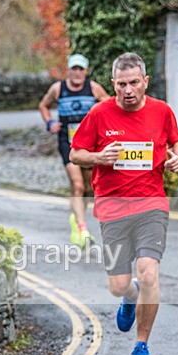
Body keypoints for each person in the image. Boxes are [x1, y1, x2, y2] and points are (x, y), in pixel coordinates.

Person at [70, 52, 178, 355]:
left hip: (152, 204)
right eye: (122, 84)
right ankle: (129, 295)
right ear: (113, 85)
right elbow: (76, 153)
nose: (129, 90)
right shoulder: (99, 113)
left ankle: (141, 345)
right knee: (118, 285)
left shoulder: (162, 111)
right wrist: (99, 157)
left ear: (145, 81)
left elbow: (177, 144)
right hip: (112, 206)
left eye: (135, 82)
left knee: (149, 271)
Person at [39, 53, 110, 249]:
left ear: (86, 71)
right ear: (68, 70)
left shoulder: (94, 88)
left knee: (88, 188)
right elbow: (43, 105)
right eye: (74, 69)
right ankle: (82, 228)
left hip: (89, 143)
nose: (77, 73)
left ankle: (76, 218)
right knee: (77, 185)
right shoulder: (58, 88)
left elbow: (110, 106)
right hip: (67, 142)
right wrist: (50, 122)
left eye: (81, 69)